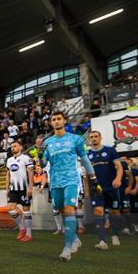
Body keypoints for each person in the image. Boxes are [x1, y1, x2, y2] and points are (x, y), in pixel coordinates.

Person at [42, 111, 96, 261]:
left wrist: (93, 176)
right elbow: (43, 163)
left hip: (71, 180)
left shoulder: (75, 139)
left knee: (69, 208)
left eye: (59, 119)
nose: (57, 121)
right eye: (54, 119)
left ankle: (67, 248)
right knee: (60, 209)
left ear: (64, 121)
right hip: (55, 181)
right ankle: (76, 238)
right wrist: (41, 155)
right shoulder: (48, 142)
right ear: (51, 123)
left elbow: (84, 159)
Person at [87, 130, 124, 250]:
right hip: (96, 189)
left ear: (100, 137)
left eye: (96, 136)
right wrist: (87, 189)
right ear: (89, 139)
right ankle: (102, 241)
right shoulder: (87, 154)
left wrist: (118, 179)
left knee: (115, 213)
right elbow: (86, 175)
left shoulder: (110, 150)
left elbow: (119, 167)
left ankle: (115, 234)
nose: (94, 138)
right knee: (98, 212)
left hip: (111, 187)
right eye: (91, 137)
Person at [5, 140, 34, 242]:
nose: (12, 148)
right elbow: (8, 175)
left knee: (26, 211)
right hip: (13, 189)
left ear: (21, 147)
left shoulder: (26, 158)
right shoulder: (9, 160)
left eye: (15, 146)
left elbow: (30, 172)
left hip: (24, 188)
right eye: (11, 146)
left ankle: (29, 234)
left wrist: (30, 187)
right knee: (10, 208)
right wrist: (7, 188)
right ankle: (22, 228)